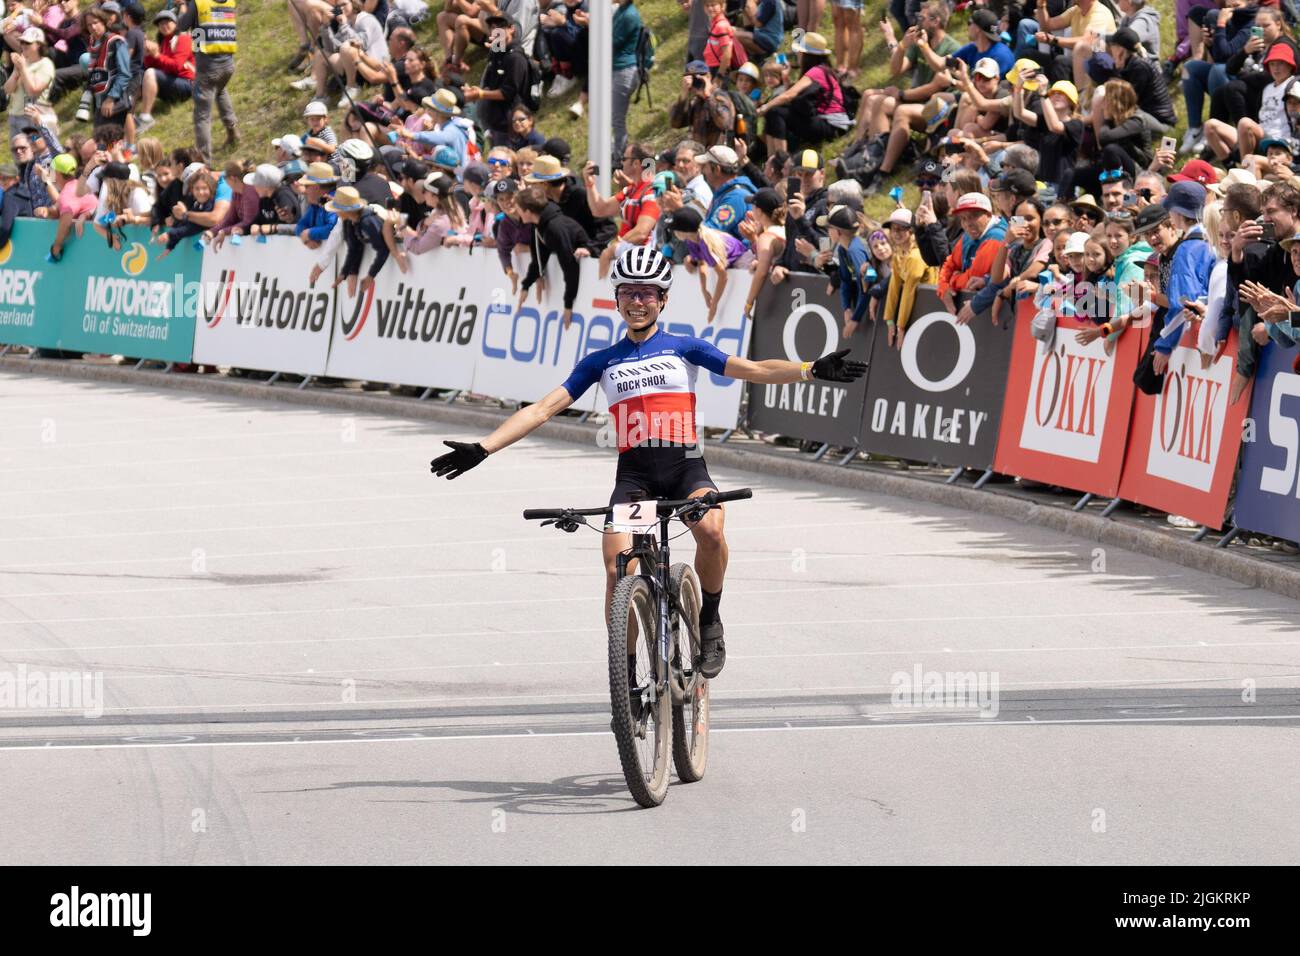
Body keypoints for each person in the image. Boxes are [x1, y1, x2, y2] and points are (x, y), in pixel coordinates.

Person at [429, 247, 868, 681]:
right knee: (619, 568)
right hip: (635, 480)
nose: (638, 302)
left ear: (662, 300)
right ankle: (626, 673)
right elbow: (543, 408)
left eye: (647, 293)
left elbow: (752, 369)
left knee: (712, 531)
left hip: (685, 469)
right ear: (618, 299)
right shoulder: (601, 362)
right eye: (629, 293)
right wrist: (484, 448)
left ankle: (710, 621)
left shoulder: (684, 348)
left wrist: (810, 369)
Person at [755, 32, 852, 154]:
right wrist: (785, 79)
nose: (797, 55)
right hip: (828, 123)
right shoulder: (822, 69)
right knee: (774, 111)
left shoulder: (816, 71)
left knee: (774, 111)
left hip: (831, 126)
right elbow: (793, 97)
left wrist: (764, 108)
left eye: (799, 52)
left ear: (807, 55)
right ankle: (771, 160)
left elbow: (788, 95)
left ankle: (780, 161)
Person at [584, 141, 660, 276]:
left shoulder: (652, 191)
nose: (621, 162)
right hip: (630, 263)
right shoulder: (631, 190)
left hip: (643, 269)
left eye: (624, 159)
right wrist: (590, 185)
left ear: (636, 163)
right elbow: (600, 209)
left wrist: (612, 249)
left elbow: (641, 232)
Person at [667, 205, 751, 323]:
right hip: (734, 264)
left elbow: (723, 276)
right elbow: (702, 264)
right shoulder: (692, 241)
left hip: (743, 263)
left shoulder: (705, 242)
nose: (673, 233)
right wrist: (704, 290)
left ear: (684, 231)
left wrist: (714, 305)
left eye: (675, 230)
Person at [178, 0, 238, 164]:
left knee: (202, 116)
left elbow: (182, 25)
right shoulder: (229, 2)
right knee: (220, 90)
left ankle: (204, 161)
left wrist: (183, 7)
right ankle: (233, 133)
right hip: (228, 63)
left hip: (208, 66)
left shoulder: (199, 3)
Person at [464, 15, 530, 147]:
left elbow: (508, 92)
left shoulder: (516, 57)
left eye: (500, 27)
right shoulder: (496, 52)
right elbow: (491, 81)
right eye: (492, 28)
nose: (496, 31)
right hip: (494, 118)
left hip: (509, 122)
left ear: (511, 29)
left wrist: (481, 94)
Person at [136, 9, 193, 135]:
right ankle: (129, 113)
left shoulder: (183, 39)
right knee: (139, 71)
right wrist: (148, 54)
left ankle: (146, 117)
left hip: (187, 85)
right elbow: (156, 65)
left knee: (150, 73)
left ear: (175, 23)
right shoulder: (164, 42)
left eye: (167, 21)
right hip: (172, 83)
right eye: (160, 23)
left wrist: (156, 55)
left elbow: (176, 66)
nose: (163, 25)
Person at [668, 60, 737, 150]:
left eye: (698, 78)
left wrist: (708, 96)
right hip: (700, 155)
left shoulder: (720, 96)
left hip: (719, 155)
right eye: (693, 80)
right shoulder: (696, 102)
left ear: (708, 76)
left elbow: (724, 124)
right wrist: (683, 96)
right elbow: (675, 124)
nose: (696, 83)